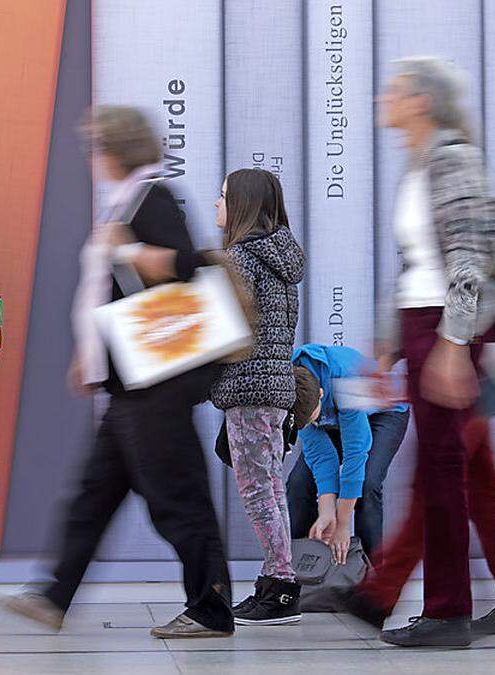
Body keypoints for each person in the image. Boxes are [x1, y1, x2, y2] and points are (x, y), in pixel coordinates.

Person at [3, 106, 234, 639]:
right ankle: (54, 596)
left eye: (94, 147)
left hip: (155, 383)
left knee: (178, 499)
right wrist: (91, 351)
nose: (90, 158)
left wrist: (124, 246)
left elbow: (183, 266)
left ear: (114, 149)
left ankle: (211, 608)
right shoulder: (130, 196)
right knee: (94, 494)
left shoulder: (152, 195)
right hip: (131, 381)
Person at [368, 56, 495, 647]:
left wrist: (451, 343)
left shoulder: (452, 158)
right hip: (424, 326)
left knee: (440, 472)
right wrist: (392, 337)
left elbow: (469, 257)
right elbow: (416, 261)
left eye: (394, 89)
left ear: (422, 100)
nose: (383, 97)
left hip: (445, 329)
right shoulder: (420, 163)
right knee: (466, 468)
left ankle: (446, 612)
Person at [340, 418, 495, 638]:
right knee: (480, 489)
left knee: (437, 482)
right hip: (462, 390)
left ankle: (443, 610)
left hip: (446, 391)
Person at [209, 168, 306, 626]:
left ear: (243, 204)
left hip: (247, 388)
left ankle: (280, 586)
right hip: (275, 389)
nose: (217, 204)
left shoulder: (243, 259)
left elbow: (226, 328)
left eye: (224, 196)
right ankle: (277, 582)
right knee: (270, 488)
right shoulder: (281, 259)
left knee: (257, 490)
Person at [286, 344, 410, 563]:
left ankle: (372, 577)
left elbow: (356, 452)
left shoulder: (345, 378)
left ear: (321, 394)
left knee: (367, 483)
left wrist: (342, 524)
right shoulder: (290, 388)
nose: (310, 425)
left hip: (384, 411)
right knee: (298, 484)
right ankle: (300, 572)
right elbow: (322, 455)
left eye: (312, 419)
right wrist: (327, 512)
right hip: (333, 416)